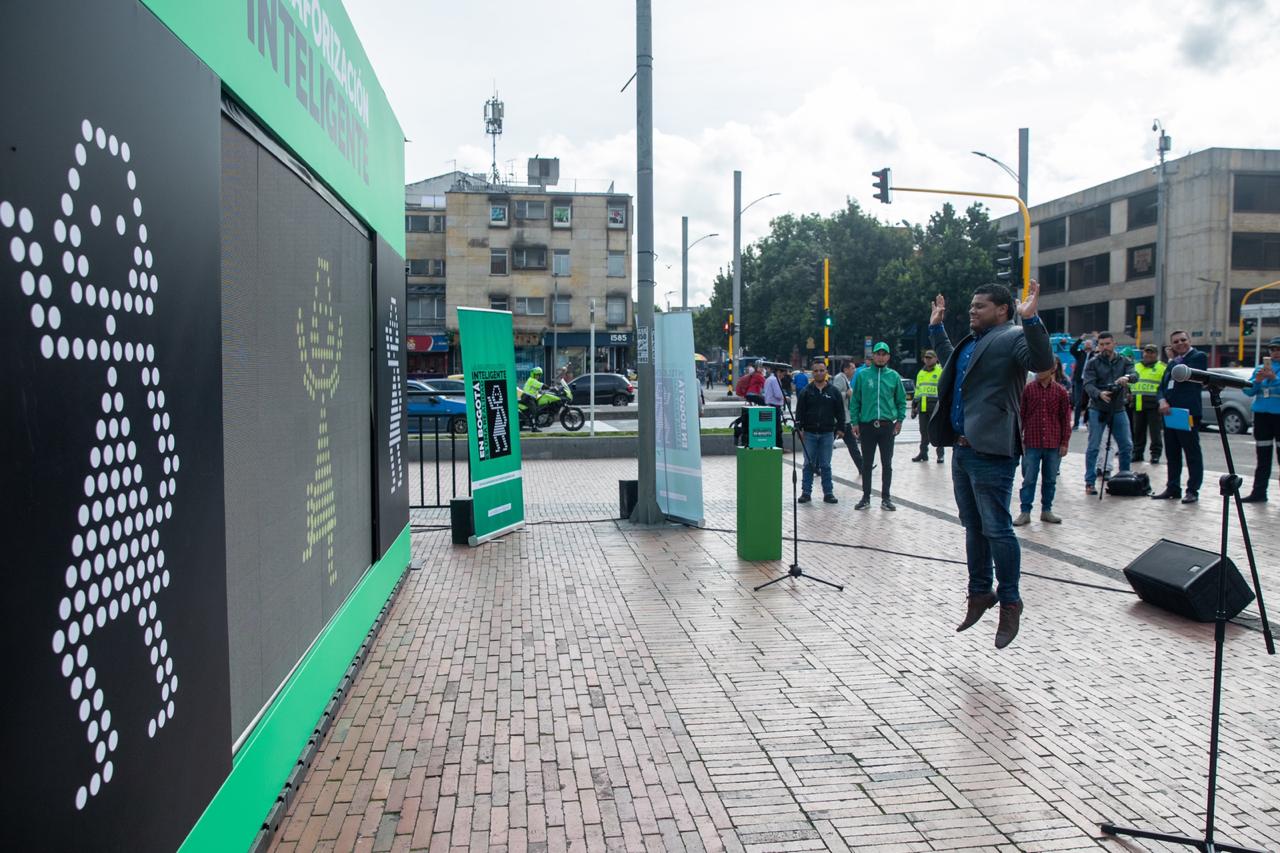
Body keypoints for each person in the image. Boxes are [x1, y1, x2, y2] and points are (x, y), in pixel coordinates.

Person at [928, 281, 1053, 649]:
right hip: (963, 449)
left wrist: (1031, 321)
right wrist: (936, 327)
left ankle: (1010, 601)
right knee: (973, 526)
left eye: (980, 306)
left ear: (1002, 310)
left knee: (997, 528)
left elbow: (1042, 362)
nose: (972, 311)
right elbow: (954, 366)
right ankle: (980, 592)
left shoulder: (1014, 336)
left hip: (992, 451)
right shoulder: (971, 343)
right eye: (970, 306)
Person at [1152, 330, 1208, 503]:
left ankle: (1193, 490)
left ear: (1189, 340)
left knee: (1191, 452)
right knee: (1172, 452)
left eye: (1183, 340)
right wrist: (1161, 400)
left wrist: (1173, 359)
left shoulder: (1197, 357)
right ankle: (1173, 487)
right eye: (1175, 342)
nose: (1180, 343)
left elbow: (1184, 374)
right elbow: (1162, 385)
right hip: (1170, 413)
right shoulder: (1172, 362)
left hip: (1187, 413)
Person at [1014, 365, 1072, 526]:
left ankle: (1047, 510)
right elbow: (1021, 416)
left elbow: (1065, 419)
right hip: (1032, 442)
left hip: (1053, 443)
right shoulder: (1028, 390)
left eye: (1042, 368)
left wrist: (1064, 442)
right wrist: (1019, 440)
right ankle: (1025, 512)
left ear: (1052, 369)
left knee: (1050, 480)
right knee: (1029, 479)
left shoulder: (1060, 391)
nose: (1038, 371)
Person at [851, 342, 907, 510]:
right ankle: (866, 497)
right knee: (866, 463)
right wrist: (855, 422)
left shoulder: (894, 376)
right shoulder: (863, 376)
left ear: (888, 357)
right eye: (878, 354)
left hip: (887, 426)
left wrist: (900, 420)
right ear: (873, 356)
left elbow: (901, 401)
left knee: (887, 463)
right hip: (867, 425)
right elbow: (855, 401)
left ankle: (886, 498)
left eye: (884, 354)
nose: (881, 357)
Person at [1081, 332, 1138, 495]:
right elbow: (1088, 384)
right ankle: (1089, 482)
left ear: (1114, 343)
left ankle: (1124, 480)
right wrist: (1100, 394)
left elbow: (1135, 375)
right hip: (1097, 408)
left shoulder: (1124, 360)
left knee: (1126, 445)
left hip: (1119, 408)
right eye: (1101, 344)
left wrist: (1127, 378)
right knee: (1093, 446)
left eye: (1107, 343)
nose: (1105, 347)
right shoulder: (1092, 362)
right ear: (1098, 346)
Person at [793, 358, 845, 504]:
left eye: (822, 370)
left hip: (827, 433)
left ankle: (828, 493)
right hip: (809, 433)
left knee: (825, 465)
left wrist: (841, 428)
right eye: (816, 371)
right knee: (808, 464)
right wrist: (799, 429)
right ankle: (806, 492)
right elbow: (799, 413)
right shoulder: (806, 392)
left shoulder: (833, 392)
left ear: (826, 372)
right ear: (812, 373)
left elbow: (840, 412)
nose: (819, 373)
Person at [1241, 336, 1280, 502]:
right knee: (1262, 458)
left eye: (1278, 349)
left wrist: (1274, 379)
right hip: (1262, 417)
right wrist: (1257, 381)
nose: (1276, 352)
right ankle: (1259, 493)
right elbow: (1248, 391)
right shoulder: (1260, 369)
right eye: (1272, 349)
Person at [1129, 343, 1166, 464]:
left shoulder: (1162, 367)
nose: (1149, 354)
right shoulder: (1136, 366)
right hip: (1138, 403)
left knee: (1155, 433)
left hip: (1154, 405)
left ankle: (1155, 455)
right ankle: (1137, 453)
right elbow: (1130, 383)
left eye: (1152, 352)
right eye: (1147, 352)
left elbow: (1164, 386)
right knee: (1138, 432)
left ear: (1156, 354)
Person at [829, 360, 867, 476]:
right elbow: (834, 394)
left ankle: (862, 467)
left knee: (852, 444)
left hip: (845, 418)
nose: (854, 370)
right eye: (852, 368)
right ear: (845, 369)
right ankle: (816, 465)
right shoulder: (840, 378)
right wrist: (847, 394)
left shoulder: (846, 379)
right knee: (829, 444)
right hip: (840, 419)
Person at [911, 350, 944, 463]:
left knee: (937, 431)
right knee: (923, 432)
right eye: (926, 357)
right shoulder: (921, 373)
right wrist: (914, 406)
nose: (928, 359)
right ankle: (923, 454)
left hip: (936, 407)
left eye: (930, 357)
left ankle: (940, 455)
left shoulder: (941, 371)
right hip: (923, 407)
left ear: (936, 359)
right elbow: (918, 391)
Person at [1069, 334, 1096, 430]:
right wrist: (1080, 339)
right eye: (1086, 343)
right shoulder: (1080, 354)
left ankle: (1087, 422)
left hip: (1090, 381)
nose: (1088, 345)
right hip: (1079, 381)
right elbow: (1072, 349)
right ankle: (1076, 424)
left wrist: (1096, 340)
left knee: (1091, 402)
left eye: (1090, 343)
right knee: (1078, 402)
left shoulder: (1094, 355)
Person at [762, 364, 787, 448]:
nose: (783, 376)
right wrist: (785, 397)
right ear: (778, 372)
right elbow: (778, 394)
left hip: (769, 405)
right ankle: (779, 447)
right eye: (783, 374)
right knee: (777, 429)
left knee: (771, 428)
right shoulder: (775, 380)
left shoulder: (769, 379)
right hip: (775, 406)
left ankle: (772, 446)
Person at [522, 366, 545, 432]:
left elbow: (538, 389)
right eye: (537, 375)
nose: (538, 376)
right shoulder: (532, 380)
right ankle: (534, 427)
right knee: (534, 411)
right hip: (527, 397)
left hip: (530, 397)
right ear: (533, 374)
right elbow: (541, 385)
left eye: (539, 375)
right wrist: (549, 386)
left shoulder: (534, 381)